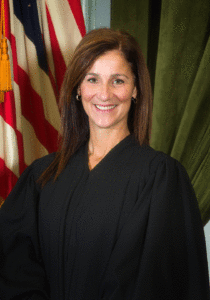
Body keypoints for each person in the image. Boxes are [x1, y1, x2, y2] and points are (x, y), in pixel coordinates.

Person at [0, 28, 209, 300]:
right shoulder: (42, 177)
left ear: (135, 89)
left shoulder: (160, 179)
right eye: (93, 79)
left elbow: (157, 283)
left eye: (118, 80)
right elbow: (13, 269)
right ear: (78, 87)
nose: (104, 94)